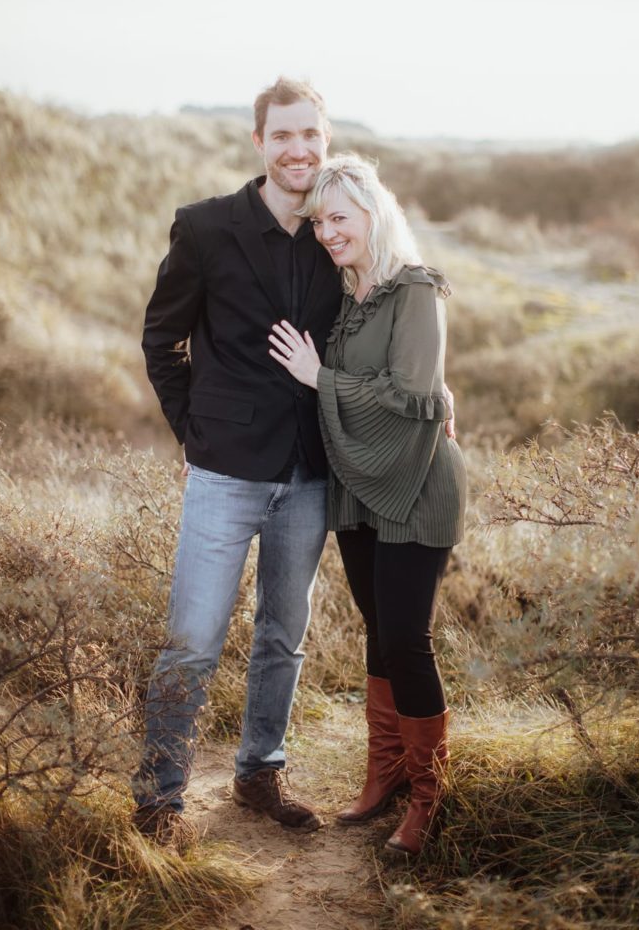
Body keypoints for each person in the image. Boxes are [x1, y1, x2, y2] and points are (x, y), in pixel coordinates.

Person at [132, 78, 343, 851]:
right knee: (192, 638)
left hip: (311, 474)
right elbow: (163, 340)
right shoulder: (206, 227)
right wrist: (194, 434)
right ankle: (159, 797)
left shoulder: (336, 228)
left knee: (283, 634)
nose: (298, 150)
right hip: (223, 471)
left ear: (326, 138)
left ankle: (260, 772)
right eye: (283, 135)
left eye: (310, 135)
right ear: (259, 141)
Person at [268, 153, 467, 857]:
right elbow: (409, 390)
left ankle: (425, 796)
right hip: (356, 484)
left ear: (372, 214)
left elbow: (412, 395)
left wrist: (320, 377)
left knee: (407, 639)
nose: (326, 232)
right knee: (378, 633)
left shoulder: (414, 288)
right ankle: (382, 774)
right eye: (319, 219)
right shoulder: (349, 296)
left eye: (338, 217)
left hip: (413, 483)